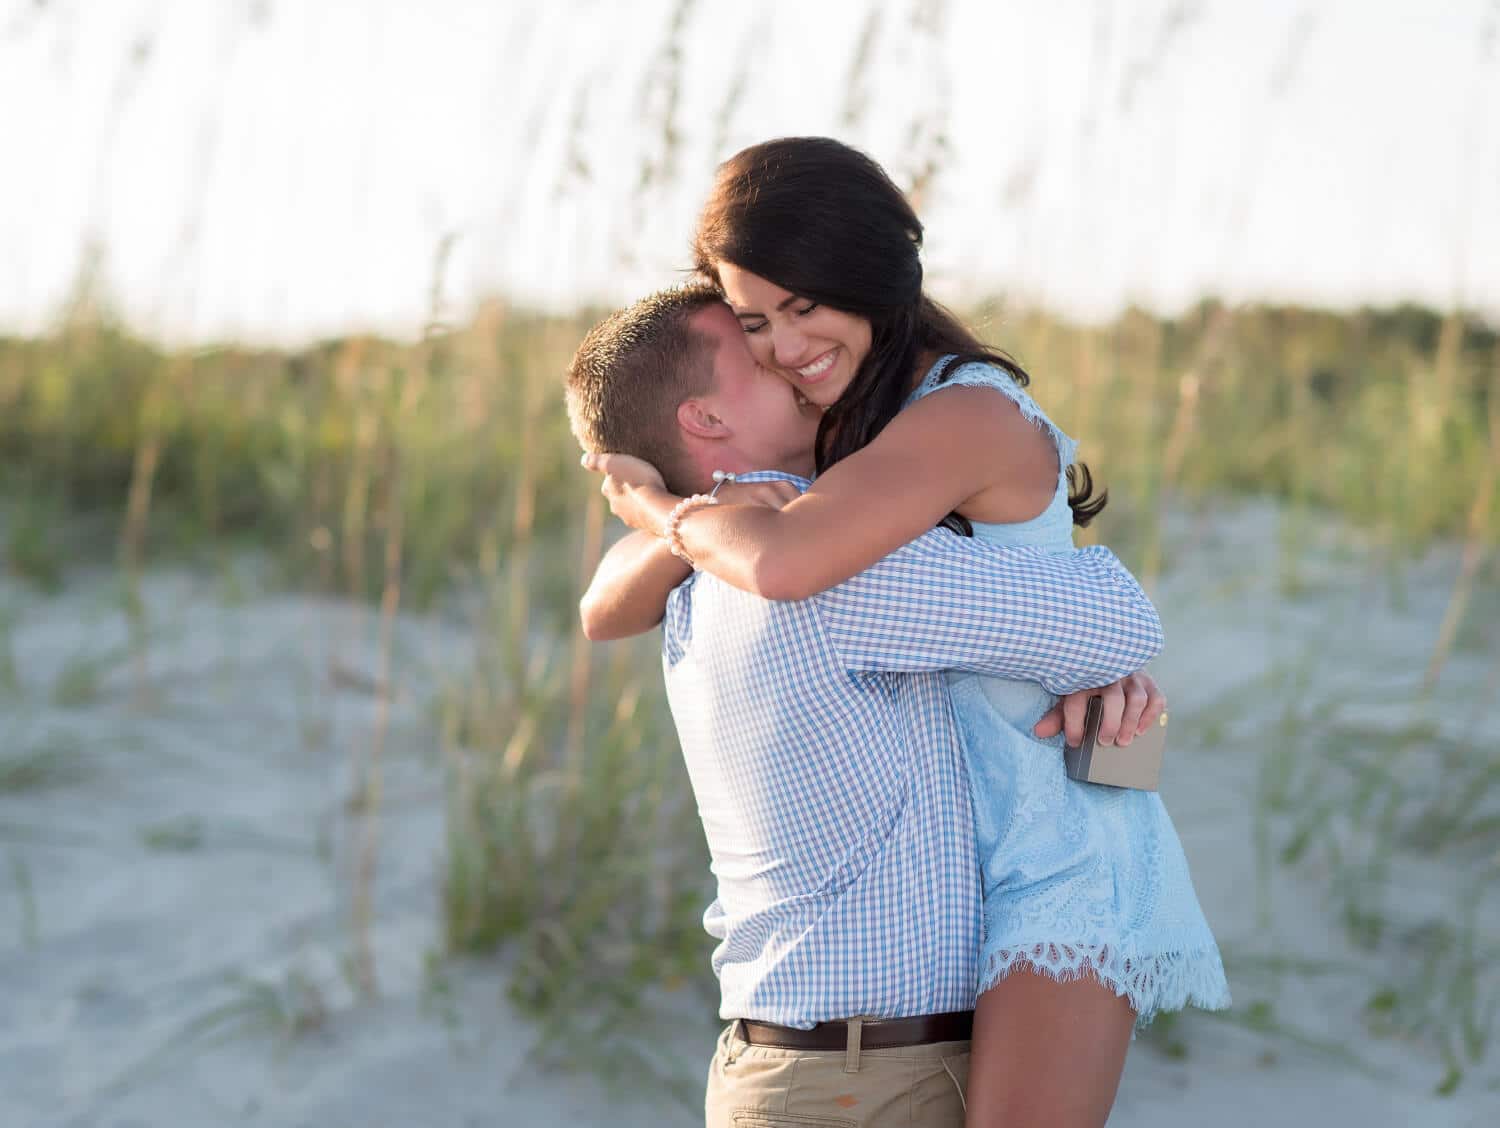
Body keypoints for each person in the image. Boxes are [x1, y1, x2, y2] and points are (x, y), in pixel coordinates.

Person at [581, 137, 1230, 1128]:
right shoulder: (839, 449)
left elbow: (791, 567)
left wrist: (656, 505)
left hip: (1053, 839)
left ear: (872, 274)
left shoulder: (954, 418)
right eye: (756, 322)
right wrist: (672, 511)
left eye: (806, 304)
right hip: (992, 826)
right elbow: (604, 607)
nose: (786, 348)